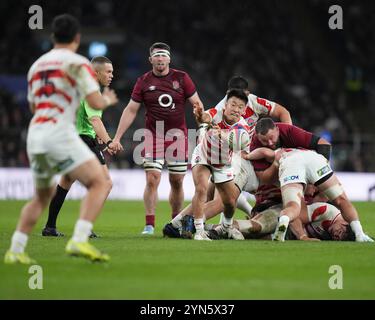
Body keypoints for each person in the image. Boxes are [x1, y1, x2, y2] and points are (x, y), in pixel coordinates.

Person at [4, 14, 118, 264]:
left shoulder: (37, 66)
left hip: (36, 134)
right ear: (77, 39)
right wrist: (108, 100)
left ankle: (16, 249)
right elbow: (96, 103)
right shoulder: (78, 64)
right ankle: (79, 238)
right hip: (61, 133)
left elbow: (34, 105)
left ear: (53, 37)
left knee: (41, 196)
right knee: (101, 183)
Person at [112, 42, 204, 235]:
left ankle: (174, 221)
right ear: (150, 60)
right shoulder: (143, 81)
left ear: (169, 59)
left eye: (163, 55)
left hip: (178, 136)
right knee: (152, 179)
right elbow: (131, 109)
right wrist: (117, 137)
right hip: (153, 136)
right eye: (157, 55)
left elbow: (197, 104)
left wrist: (202, 121)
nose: (160, 58)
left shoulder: (182, 78)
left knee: (177, 181)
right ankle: (149, 225)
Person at [41, 56, 121, 238]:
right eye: (108, 72)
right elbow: (95, 120)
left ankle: (50, 227)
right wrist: (109, 142)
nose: (111, 76)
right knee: (105, 184)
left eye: (112, 72)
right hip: (83, 141)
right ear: (96, 72)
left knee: (66, 181)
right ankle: (85, 226)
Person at [249, 146, 373, 242]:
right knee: (341, 199)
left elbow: (266, 153)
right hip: (313, 162)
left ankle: (284, 220)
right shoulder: (325, 204)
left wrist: (248, 155)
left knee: (293, 206)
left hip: (298, 162)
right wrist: (302, 235)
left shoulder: (283, 153)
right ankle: (359, 234)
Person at [190, 89, 250, 240]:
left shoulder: (243, 128)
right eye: (233, 104)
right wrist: (200, 114)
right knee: (201, 188)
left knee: (229, 202)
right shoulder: (217, 113)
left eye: (240, 107)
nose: (236, 109)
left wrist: (222, 134)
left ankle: (226, 227)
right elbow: (206, 117)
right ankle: (199, 231)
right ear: (226, 105)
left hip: (222, 163)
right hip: (203, 155)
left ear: (244, 111)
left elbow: (237, 144)